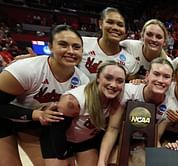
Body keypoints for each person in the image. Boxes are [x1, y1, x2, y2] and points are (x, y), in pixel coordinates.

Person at [0, 24, 89, 165]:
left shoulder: (82, 81)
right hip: (4, 120)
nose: (71, 51)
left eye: (76, 47)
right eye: (63, 45)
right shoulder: (26, 70)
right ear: (51, 47)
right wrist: (36, 114)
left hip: (36, 125)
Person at [43, 61, 126, 166]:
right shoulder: (73, 101)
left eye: (120, 81)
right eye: (108, 78)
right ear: (98, 78)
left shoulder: (118, 97)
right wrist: (64, 155)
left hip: (85, 140)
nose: (114, 85)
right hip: (58, 140)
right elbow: (57, 131)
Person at [97, 57, 174, 166]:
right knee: (113, 162)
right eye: (156, 74)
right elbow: (113, 129)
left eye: (166, 77)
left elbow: (155, 139)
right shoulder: (128, 92)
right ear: (147, 76)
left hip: (142, 143)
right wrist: (101, 162)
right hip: (120, 139)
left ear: (171, 81)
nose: (160, 80)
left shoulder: (169, 106)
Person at [78, 7, 139, 81]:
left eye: (120, 25)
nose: (115, 27)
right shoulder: (82, 44)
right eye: (110, 22)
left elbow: (129, 88)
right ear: (100, 24)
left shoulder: (130, 61)